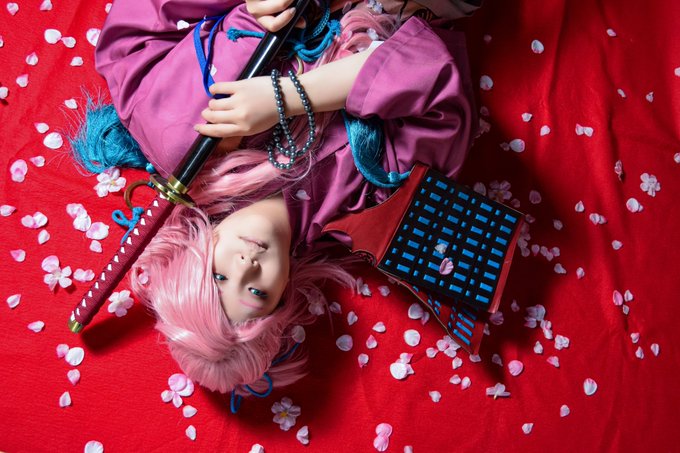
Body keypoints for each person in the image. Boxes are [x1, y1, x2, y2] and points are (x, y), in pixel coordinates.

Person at [82, 0, 479, 405]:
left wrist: (253, 9)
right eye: (257, 293)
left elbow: (132, 30)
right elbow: (434, 73)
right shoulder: (366, 205)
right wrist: (288, 98)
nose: (246, 265)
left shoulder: (182, 142)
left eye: (219, 277)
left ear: (193, 255)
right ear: (284, 294)